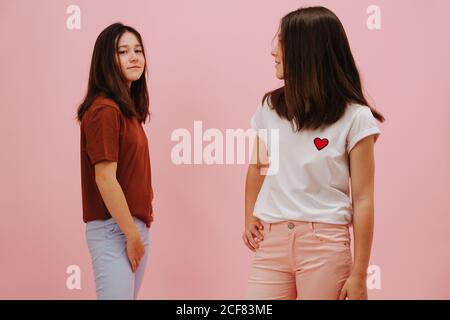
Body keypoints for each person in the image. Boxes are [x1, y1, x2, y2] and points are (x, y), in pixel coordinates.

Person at [243, 6, 385, 300]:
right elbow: (257, 167)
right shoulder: (270, 107)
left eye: (281, 41)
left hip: (325, 245)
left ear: (305, 50)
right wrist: (249, 217)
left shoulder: (356, 118)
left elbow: (363, 199)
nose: (273, 51)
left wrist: (359, 274)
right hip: (272, 243)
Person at [76, 23, 153, 300]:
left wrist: (136, 233)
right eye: (123, 51)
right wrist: (131, 235)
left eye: (138, 50)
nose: (134, 57)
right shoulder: (104, 110)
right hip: (115, 229)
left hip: (132, 227)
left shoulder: (127, 111)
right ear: (107, 60)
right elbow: (105, 178)